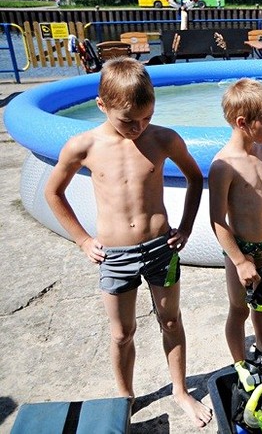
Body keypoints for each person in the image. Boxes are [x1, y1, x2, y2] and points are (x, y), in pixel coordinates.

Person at [43, 57, 212, 428]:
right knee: (122, 333)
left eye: (146, 117)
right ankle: (125, 395)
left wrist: (183, 227)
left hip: (160, 249)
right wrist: (83, 240)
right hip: (115, 255)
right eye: (128, 120)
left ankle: (180, 391)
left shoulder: (164, 138)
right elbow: (53, 192)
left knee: (170, 322)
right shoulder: (83, 146)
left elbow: (196, 179)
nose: (138, 127)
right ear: (102, 106)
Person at [208, 79, 262, 389]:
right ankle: (241, 363)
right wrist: (241, 261)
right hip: (241, 251)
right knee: (240, 308)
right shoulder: (223, 166)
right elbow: (217, 220)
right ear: (243, 123)